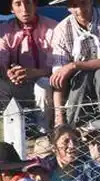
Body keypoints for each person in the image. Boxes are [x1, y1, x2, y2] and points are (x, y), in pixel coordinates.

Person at [47, 0, 100, 127]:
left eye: (83, 3)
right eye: (74, 5)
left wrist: (75, 65)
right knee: (82, 76)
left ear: (90, 2)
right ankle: (74, 127)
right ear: (68, 8)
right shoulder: (61, 30)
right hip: (79, 83)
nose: (80, 9)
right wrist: (59, 117)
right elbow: (59, 79)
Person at [0, 0, 57, 130]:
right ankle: (14, 129)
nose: (24, 9)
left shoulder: (52, 27)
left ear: (35, 4)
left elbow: (59, 64)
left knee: (43, 85)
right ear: (11, 8)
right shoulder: (4, 30)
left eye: (28, 3)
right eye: (18, 4)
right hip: (17, 84)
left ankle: (44, 132)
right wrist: (9, 72)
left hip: (47, 84)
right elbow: (2, 60)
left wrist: (35, 72)